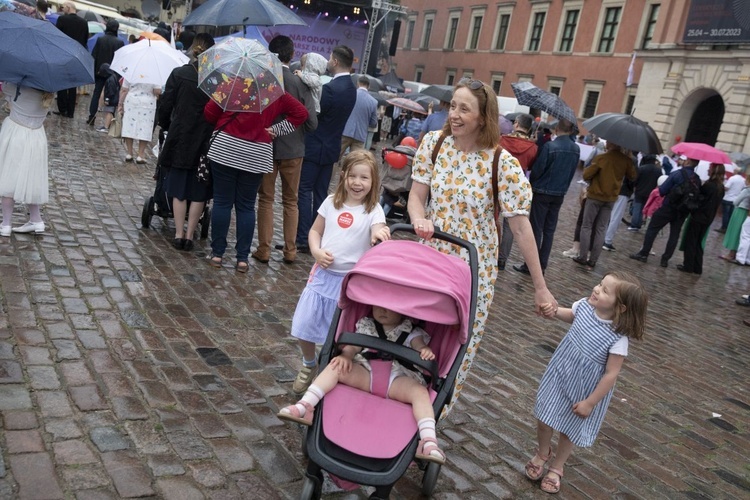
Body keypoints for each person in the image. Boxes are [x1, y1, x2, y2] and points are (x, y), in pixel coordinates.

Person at [408, 79, 557, 415]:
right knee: (415, 331)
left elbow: (520, 227)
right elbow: (417, 197)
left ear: (482, 117)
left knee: (458, 343)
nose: (455, 115)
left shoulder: (501, 163)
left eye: (465, 109)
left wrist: (540, 287)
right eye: (453, 106)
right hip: (429, 260)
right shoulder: (434, 144)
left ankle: (432, 416)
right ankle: (403, 399)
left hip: (473, 271)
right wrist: (420, 219)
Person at [526, 272, 647, 494]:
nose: (596, 289)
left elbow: (611, 374)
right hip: (560, 373)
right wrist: (553, 311)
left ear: (620, 307)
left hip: (585, 389)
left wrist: (590, 402)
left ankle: (557, 467)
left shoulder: (617, 337)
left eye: (605, 290)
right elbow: (571, 315)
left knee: (568, 429)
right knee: (544, 416)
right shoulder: (584, 306)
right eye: (600, 284)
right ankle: (543, 452)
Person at [278, 304, 446, 464]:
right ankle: (305, 406)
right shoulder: (367, 324)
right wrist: (346, 356)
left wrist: (425, 350)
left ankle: (428, 440)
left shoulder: (411, 331)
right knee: (335, 367)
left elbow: (420, 345)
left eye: (390, 307)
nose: (382, 310)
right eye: (378, 305)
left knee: (419, 392)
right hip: (367, 373)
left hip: (398, 379)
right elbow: (352, 346)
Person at [289, 151, 390, 394]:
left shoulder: (373, 210)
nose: (357, 182)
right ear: (343, 176)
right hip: (323, 276)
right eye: (352, 176)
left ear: (373, 181)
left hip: (349, 283)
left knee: (338, 332)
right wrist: (316, 251)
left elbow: (379, 228)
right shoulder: (331, 202)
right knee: (304, 323)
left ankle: (329, 370)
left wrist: (380, 234)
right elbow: (315, 231)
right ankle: (308, 363)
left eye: (364, 178)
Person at [203, 72, 308, 273]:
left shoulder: (230, 85)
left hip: (226, 148)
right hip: (256, 152)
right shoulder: (274, 91)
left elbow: (209, 114)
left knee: (222, 202)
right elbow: (301, 113)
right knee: (246, 206)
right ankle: (242, 258)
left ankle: (217, 254)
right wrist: (276, 130)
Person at [252, 35, 318, 265]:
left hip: (266, 147)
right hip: (294, 150)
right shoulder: (301, 84)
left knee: (265, 199)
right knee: (291, 201)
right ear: (292, 55)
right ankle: (290, 251)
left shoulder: (262, 79)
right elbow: (312, 123)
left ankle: (264, 250)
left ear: (270, 54)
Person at [296, 45, 357, 254]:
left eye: (330, 59)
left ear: (336, 62)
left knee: (304, 191)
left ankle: (303, 238)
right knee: (321, 194)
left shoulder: (330, 89)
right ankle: (316, 236)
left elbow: (316, 116)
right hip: (331, 148)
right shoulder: (351, 89)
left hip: (315, 147)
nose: (328, 62)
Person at [157, 33, 216, 252]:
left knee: (179, 188)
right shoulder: (216, 81)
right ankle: (190, 236)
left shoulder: (180, 74)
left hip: (180, 138)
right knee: (198, 189)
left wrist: (164, 124)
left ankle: (179, 233)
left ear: (193, 49)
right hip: (205, 141)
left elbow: (166, 104)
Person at [514, 119, 580, 275]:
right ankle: (542, 264)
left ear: (557, 128)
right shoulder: (576, 149)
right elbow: (571, 172)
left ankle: (531, 265)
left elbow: (537, 170)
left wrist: (534, 184)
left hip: (543, 191)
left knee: (536, 229)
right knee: (549, 230)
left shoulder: (551, 146)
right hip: (559, 193)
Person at [0, 83, 55, 236]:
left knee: (9, 175)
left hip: (16, 133)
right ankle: (36, 220)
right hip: (36, 136)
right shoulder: (49, 91)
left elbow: (4, 94)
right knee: (31, 176)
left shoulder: (14, 87)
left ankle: (6, 224)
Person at [630, 156, 701, 267]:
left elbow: (662, 190)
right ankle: (665, 259)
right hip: (683, 210)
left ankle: (644, 253)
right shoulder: (697, 179)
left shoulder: (677, 174)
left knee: (652, 228)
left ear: (688, 161)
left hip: (668, 207)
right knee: (674, 234)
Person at [573, 142, 636, 268]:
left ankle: (583, 256)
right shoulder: (626, 161)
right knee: (601, 228)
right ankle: (594, 259)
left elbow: (586, 175)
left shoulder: (602, 158)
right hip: (611, 198)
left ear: (610, 144)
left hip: (595, 196)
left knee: (587, 226)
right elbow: (633, 175)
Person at [497, 113, 538, 270]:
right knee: (510, 226)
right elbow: (531, 166)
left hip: (498, 181)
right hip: (516, 187)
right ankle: (502, 259)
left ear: (517, 124)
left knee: (492, 217)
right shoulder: (533, 148)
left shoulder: (503, 140)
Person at [679, 163, 725, 274]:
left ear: (713, 171)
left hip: (699, 216)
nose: (708, 170)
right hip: (708, 218)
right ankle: (697, 267)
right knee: (699, 242)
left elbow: (699, 199)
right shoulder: (720, 188)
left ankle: (688, 266)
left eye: (709, 169)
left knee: (691, 240)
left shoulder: (709, 186)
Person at [87, 19, 124, 127]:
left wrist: (95, 71)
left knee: (96, 94)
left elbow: (94, 56)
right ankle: (109, 120)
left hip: (100, 72)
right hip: (113, 73)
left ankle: (91, 116)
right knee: (111, 95)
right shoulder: (119, 42)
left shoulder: (100, 39)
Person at [54, 1, 88, 118]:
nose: (62, 9)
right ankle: (70, 111)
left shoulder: (62, 20)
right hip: (77, 55)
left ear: (68, 8)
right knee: (73, 84)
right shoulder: (84, 23)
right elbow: (84, 40)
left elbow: (57, 37)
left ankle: (62, 108)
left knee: (62, 82)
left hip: (63, 54)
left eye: (63, 7)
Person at [118, 80, 161, 164]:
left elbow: (124, 89)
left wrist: (120, 103)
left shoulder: (131, 72)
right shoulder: (154, 74)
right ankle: (140, 155)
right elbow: (157, 91)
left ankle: (129, 153)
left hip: (131, 102)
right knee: (145, 127)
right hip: (147, 103)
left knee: (129, 126)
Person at [339, 76, 378, 161]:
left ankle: (333, 174)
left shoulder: (349, 94)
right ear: (369, 86)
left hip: (345, 131)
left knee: (336, 158)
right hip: (360, 136)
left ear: (357, 83)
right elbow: (374, 123)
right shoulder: (373, 102)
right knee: (355, 162)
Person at [627, 154, 662, 231]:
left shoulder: (642, 168)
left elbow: (635, 180)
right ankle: (639, 224)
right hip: (651, 193)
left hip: (640, 191)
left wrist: (634, 187)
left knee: (637, 208)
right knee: (644, 208)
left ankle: (634, 225)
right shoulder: (658, 170)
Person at [720, 175, 750, 262]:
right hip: (746, 213)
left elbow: (736, 201)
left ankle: (731, 254)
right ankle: (737, 253)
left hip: (740, 211)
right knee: (741, 234)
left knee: (735, 232)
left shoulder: (747, 190)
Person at [718, 166, 746, 233]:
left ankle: (724, 227)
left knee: (725, 214)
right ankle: (728, 228)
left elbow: (726, 188)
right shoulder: (743, 180)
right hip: (736, 200)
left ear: (736, 172)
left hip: (728, 198)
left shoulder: (732, 178)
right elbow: (743, 189)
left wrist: (722, 186)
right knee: (730, 215)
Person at [94, 63, 120, 133]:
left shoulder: (111, 79)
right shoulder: (112, 77)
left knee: (109, 112)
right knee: (108, 112)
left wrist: (107, 99)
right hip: (113, 99)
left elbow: (111, 90)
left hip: (111, 99)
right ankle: (107, 125)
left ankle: (106, 127)